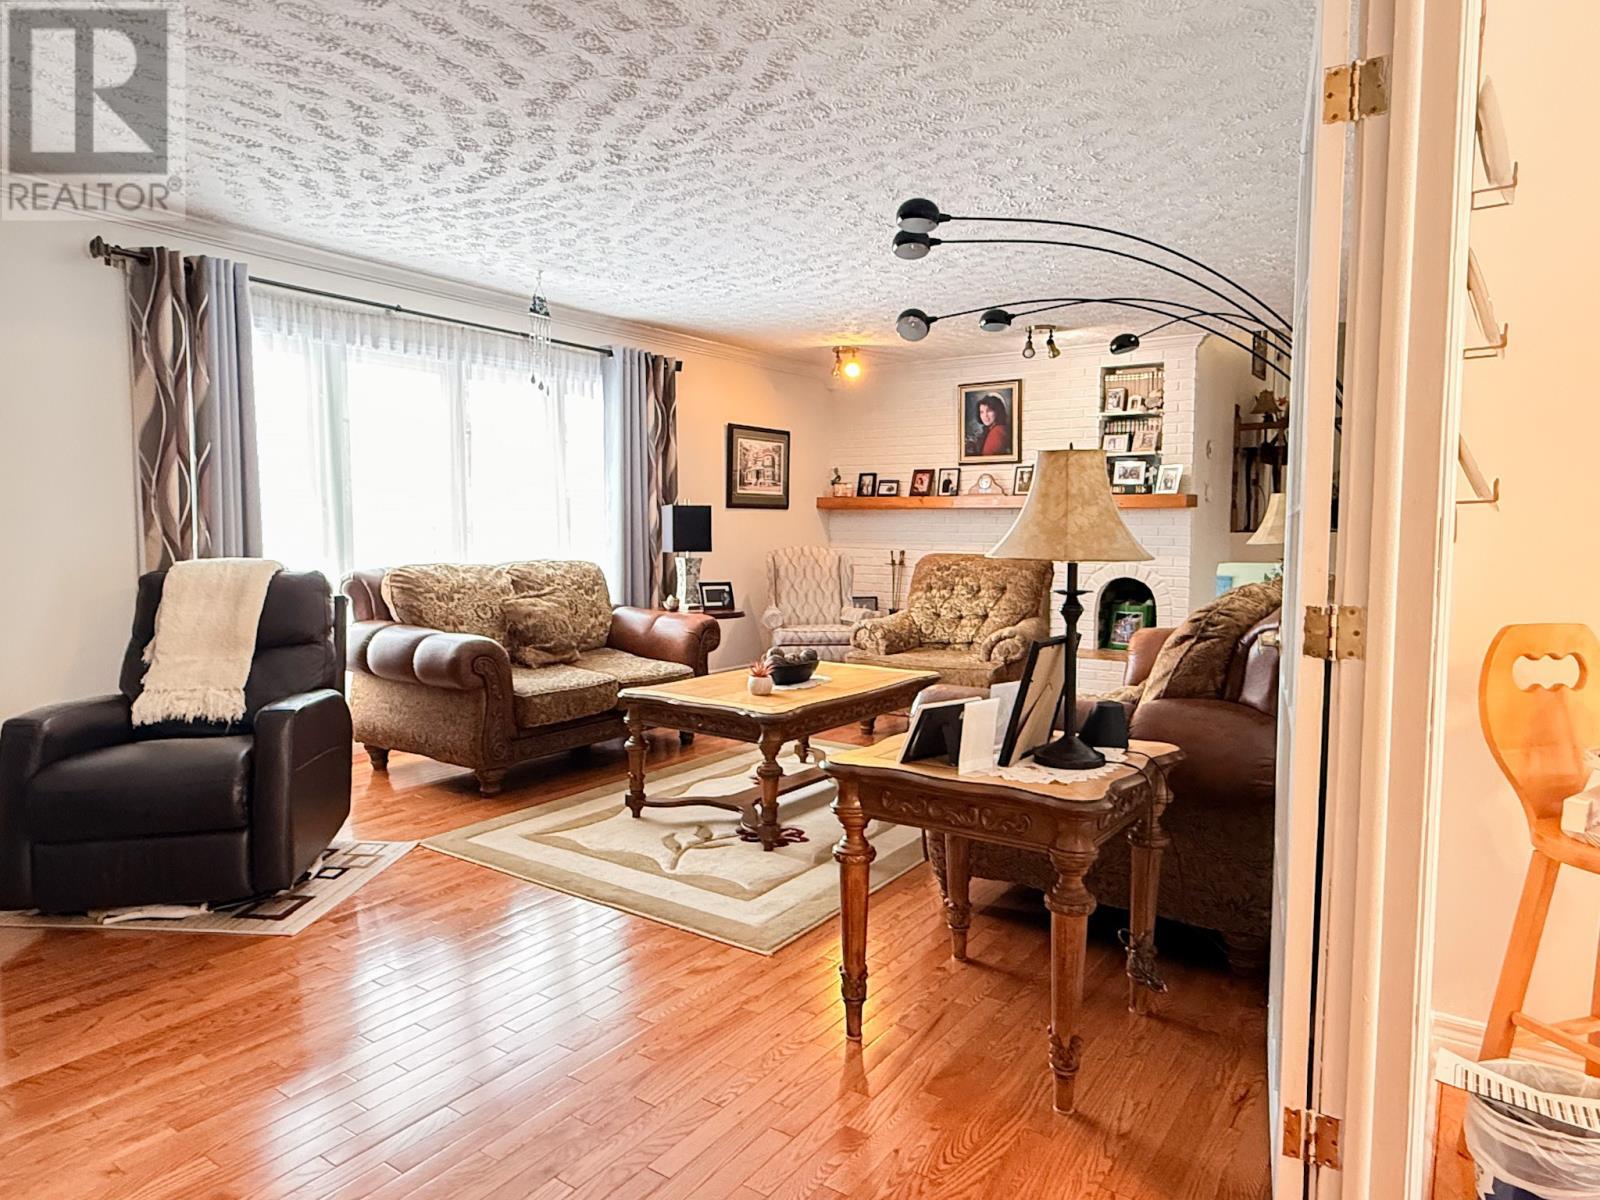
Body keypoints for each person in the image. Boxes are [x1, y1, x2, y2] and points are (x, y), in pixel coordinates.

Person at [967, 393, 1011, 457]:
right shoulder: (991, 429)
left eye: (989, 411)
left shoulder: (998, 431)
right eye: (982, 412)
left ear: (997, 411)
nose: (985, 416)